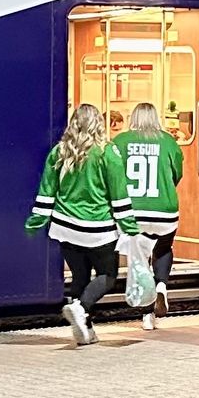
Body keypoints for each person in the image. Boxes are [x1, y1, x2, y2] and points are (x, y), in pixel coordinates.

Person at [26, 103, 139, 345]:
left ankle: (85, 331)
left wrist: (36, 221)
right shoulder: (107, 152)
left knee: (80, 277)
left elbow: (47, 190)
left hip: (65, 227)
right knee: (108, 276)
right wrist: (130, 226)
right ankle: (81, 307)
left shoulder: (59, 152)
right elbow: (118, 194)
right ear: (98, 123)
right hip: (99, 229)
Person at [112, 102, 185, 331]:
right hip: (165, 209)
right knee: (163, 249)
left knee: (140, 260)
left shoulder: (120, 142)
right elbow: (177, 173)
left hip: (134, 211)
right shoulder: (168, 141)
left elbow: (111, 175)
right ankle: (162, 286)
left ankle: (147, 316)